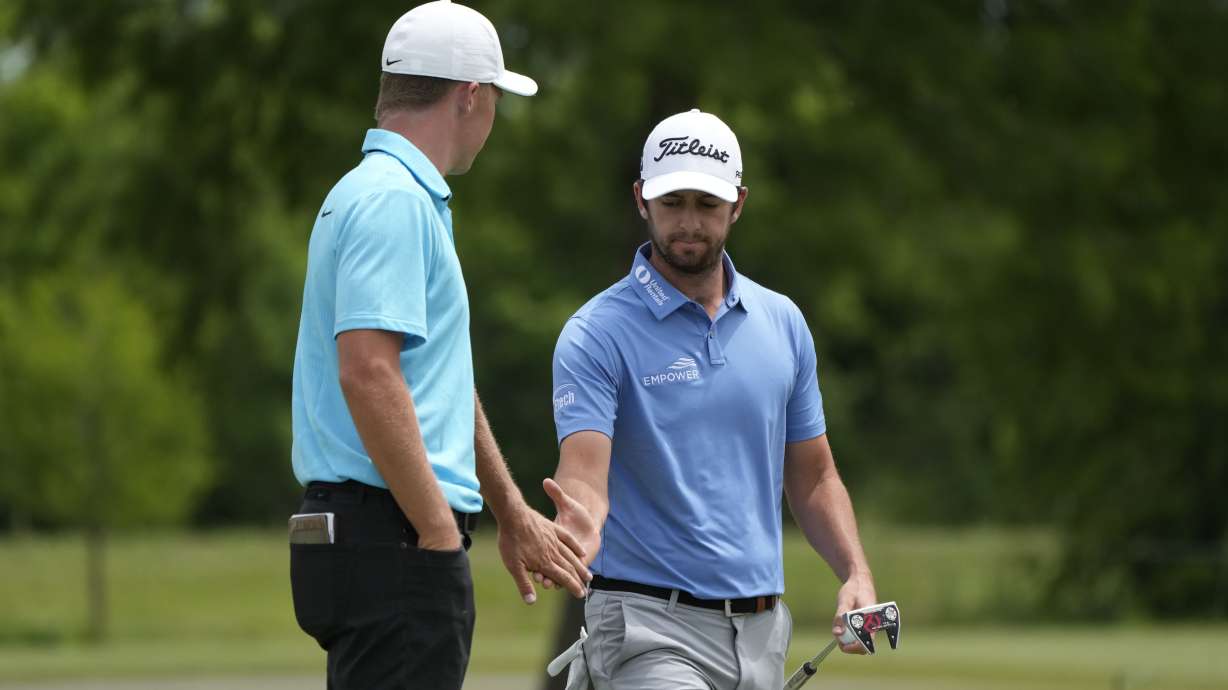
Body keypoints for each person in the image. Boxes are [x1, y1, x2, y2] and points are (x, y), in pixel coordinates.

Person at [288, 3, 589, 689]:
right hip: (395, 539)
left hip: (370, 535)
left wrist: (509, 511)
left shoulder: (377, 193)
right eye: (493, 104)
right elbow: (367, 373)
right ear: (470, 97)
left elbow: (433, 383)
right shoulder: (393, 201)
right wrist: (437, 533)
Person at [545, 109, 879, 689]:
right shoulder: (596, 331)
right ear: (641, 199)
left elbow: (814, 477)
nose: (689, 223)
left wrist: (856, 571)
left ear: (738, 204)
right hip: (646, 629)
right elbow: (584, 474)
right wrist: (576, 529)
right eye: (673, 203)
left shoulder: (783, 322)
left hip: (762, 635)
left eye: (707, 204)